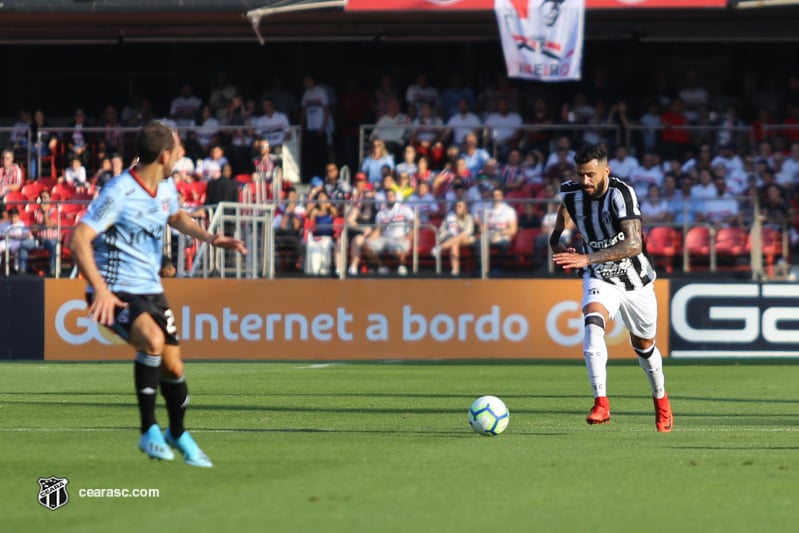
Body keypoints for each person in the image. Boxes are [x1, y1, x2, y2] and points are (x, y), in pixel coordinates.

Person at [69, 121, 247, 467]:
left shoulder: (166, 188)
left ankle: (177, 433)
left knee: (173, 366)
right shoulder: (119, 191)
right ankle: (148, 430)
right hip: (116, 291)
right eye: (178, 149)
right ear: (165, 155)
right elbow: (78, 239)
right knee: (151, 340)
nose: (182, 154)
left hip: (152, 290)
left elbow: (176, 215)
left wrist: (211, 238)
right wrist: (101, 290)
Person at [549, 144, 673, 432]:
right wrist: (558, 245)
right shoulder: (570, 193)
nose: (585, 181)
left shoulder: (621, 194)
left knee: (644, 347)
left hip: (636, 281)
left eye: (591, 175)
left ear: (606, 171)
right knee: (592, 324)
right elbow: (558, 228)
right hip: (599, 276)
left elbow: (633, 244)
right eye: (581, 175)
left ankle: (661, 399)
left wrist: (586, 257)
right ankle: (601, 402)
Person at [433, 199, 475, 276]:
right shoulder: (449, 217)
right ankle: (455, 271)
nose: (457, 208)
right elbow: (441, 231)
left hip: (467, 240)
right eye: (456, 206)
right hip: (452, 240)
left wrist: (454, 237)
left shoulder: (469, 217)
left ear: (464, 208)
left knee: (460, 237)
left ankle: (440, 248)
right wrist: (448, 234)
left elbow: (467, 232)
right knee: (454, 244)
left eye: (460, 206)